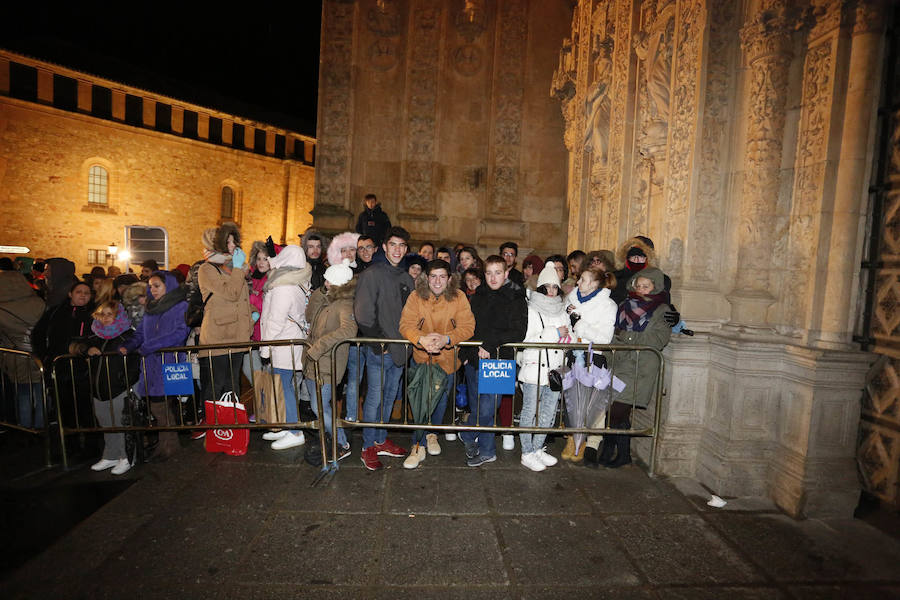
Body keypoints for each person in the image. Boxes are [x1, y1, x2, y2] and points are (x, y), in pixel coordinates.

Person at [398, 259, 475, 469]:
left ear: (449, 279)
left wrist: (446, 339)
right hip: (422, 358)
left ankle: (432, 434)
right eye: (433, 276)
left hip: (448, 360)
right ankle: (417, 445)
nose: (438, 281)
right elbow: (405, 324)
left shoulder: (459, 298)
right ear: (426, 278)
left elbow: (468, 326)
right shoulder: (416, 296)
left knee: (440, 401)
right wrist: (421, 340)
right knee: (421, 402)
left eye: (442, 276)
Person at [354, 226, 415, 470]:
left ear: (406, 249)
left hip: (401, 350)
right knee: (374, 398)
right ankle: (368, 445)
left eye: (402, 245)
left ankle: (380, 439)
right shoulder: (372, 274)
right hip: (382, 349)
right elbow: (363, 313)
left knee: (389, 397)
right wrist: (381, 344)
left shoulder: (406, 278)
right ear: (385, 247)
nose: (398, 249)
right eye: (393, 245)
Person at [459, 255, 527, 467]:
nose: (493, 277)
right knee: (479, 405)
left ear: (506, 273)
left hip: (500, 360)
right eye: (489, 273)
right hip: (474, 360)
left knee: (489, 408)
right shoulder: (478, 296)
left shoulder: (516, 297)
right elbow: (470, 327)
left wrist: (490, 343)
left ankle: (468, 432)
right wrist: (464, 355)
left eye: (498, 272)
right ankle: (487, 450)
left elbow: (518, 331)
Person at [603, 268, 672, 468]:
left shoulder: (663, 310)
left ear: (656, 287)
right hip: (620, 362)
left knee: (617, 409)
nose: (641, 290)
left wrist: (628, 336)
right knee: (614, 410)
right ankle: (615, 451)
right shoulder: (625, 305)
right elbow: (613, 334)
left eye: (646, 286)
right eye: (639, 285)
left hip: (640, 367)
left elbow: (658, 339)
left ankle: (617, 451)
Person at [119, 271, 190, 461]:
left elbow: (180, 333)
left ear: (169, 285)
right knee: (159, 407)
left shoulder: (181, 306)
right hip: (151, 364)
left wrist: (150, 346)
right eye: (150, 286)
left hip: (172, 361)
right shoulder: (151, 309)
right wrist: (128, 345)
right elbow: (140, 333)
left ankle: (169, 447)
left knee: (163, 407)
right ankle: (166, 445)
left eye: (157, 285)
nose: (153, 290)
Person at [72, 301, 140, 475]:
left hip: (120, 387)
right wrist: (86, 349)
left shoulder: (128, 335)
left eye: (110, 314)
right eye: (102, 314)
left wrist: (127, 382)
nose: (105, 318)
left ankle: (127, 456)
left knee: (121, 421)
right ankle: (111, 454)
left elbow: (135, 361)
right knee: (105, 422)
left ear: (118, 315)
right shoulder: (95, 336)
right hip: (98, 387)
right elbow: (76, 345)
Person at [302, 259, 357, 460]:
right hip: (313, 363)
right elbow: (309, 317)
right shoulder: (328, 300)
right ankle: (335, 439)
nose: (324, 283)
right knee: (321, 407)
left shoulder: (344, 304)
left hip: (326, 364)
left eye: (327, 281)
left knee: (319, 407)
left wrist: (320, 346)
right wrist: (318, 295)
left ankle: (342, 443)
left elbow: (349, 329)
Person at [259, 245, 312, 450]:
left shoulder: (283, 286)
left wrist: (265, 349)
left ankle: (294, 431)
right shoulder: (300, 282)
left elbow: (275, 321)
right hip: (291, 342)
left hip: (282, 343)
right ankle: (289, 426)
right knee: (287, 386)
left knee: (284, 387)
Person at [517, 263, 569, 471]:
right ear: (539, 288)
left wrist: (568, 336)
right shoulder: (530, 310)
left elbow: (570, 336)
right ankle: (526, 452)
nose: (550, 291)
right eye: (546, 287)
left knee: (548, 413)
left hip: (555, 370)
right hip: (534, 369)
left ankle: (538, 448)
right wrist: (555, 334)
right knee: (529, 411)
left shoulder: (562, 310)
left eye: (554, 287)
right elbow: (527, 340)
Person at [563, 266, 617, 464]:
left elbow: (605, 338)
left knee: (593, 402)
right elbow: (565, 324)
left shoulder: (608, 305)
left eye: (583, 280)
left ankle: (591, 442)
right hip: (573, 355)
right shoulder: (572, 299)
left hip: (594, 357)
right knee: (571, 400)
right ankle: (572, 439)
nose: (578, 283)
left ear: (594, 284)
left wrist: (579, 324)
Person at [198, 222, 252, 418]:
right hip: (218, 338)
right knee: (216, 387)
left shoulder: (233, 267)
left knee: (233, 387)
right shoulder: (207, 269)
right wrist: (238, 269)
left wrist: (252, 314)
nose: (233, 245)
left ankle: (232, 428)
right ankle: (214, 427)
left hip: (236, 336)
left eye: (233, 240)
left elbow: (239, 299)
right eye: (227, 242)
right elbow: (231, 293)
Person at [0, 269, 46, 428]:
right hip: (39, 354)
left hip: (16, 356)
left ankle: (25, 428)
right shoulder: (39, 302)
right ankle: (40, 427)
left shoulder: (2, 309)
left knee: (23, 394)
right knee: (41, 394)